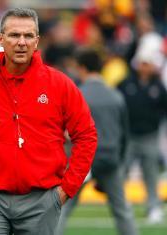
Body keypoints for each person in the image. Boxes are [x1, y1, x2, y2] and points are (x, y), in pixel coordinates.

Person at [0, 8, 97, 235]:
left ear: (37, 41)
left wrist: (67, 188)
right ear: (1, 39)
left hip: (42, 199)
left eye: (28, 36)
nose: (21, 42)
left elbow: (86, 136)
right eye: (14, 35)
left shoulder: (60, 84)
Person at [55, 48, 139, 235]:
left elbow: (65, 132)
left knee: (62, 208)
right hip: (110, 159)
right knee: (122, 210)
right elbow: (125, 134)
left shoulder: (77, 94)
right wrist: (121, 162)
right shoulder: (116, 96)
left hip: (82, 160)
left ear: (82, 68)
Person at [118, 40, 167, 224]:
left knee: (151, 174)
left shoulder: (158, 86)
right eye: (143, 63)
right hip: (129, 136)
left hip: (150, 137)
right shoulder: (125, 84)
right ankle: (122, 205)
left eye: (148, 63)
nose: (145, 67)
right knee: (122, 172)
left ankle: (153, 207)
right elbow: (118, 106)